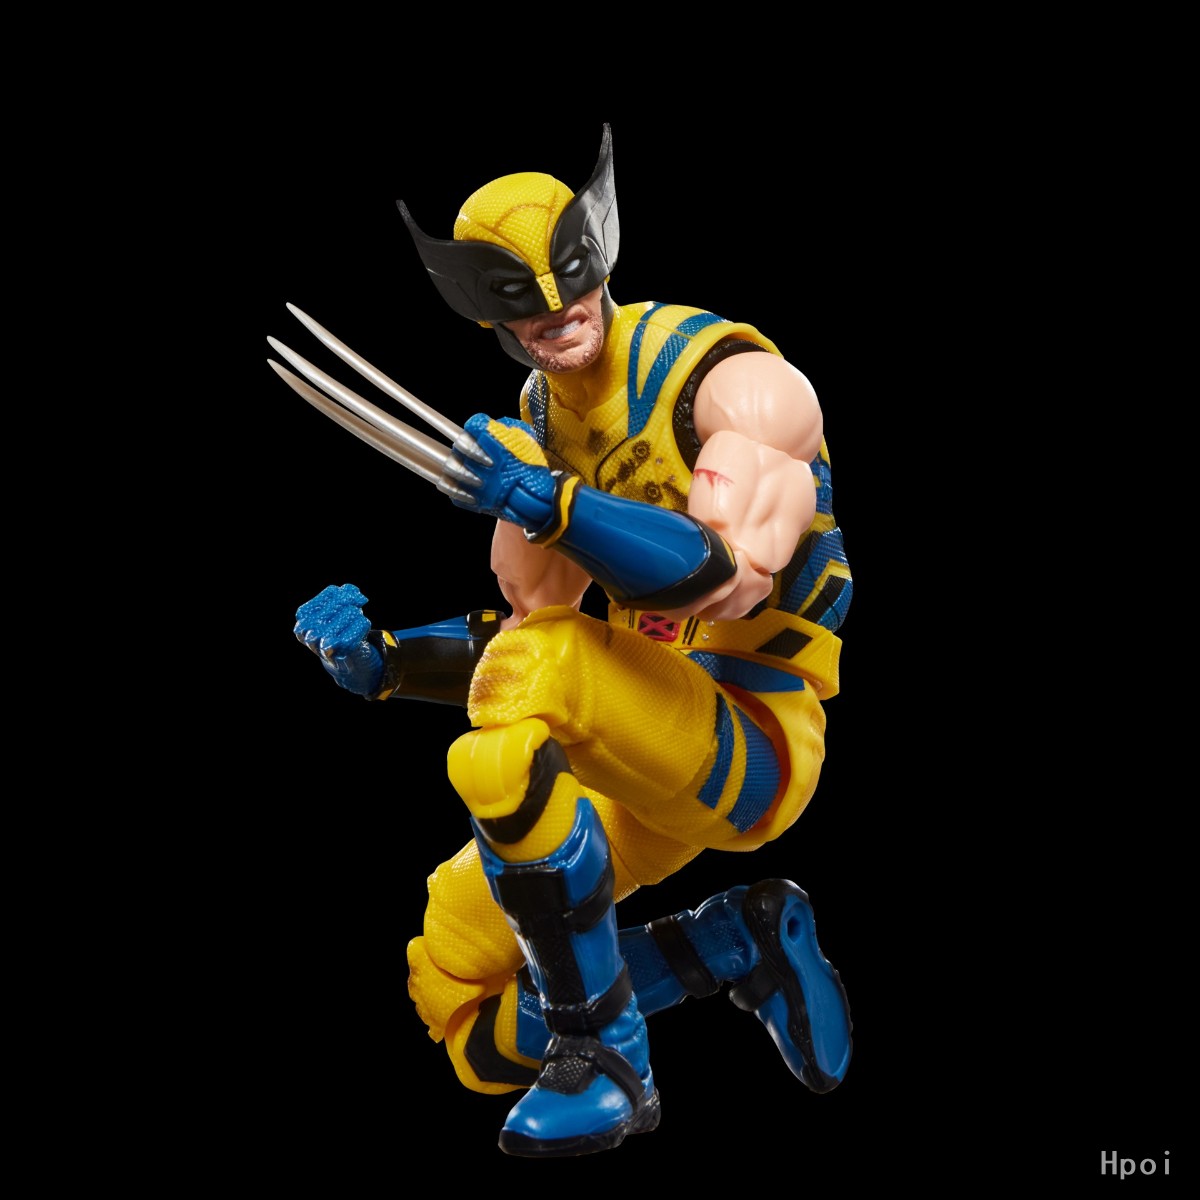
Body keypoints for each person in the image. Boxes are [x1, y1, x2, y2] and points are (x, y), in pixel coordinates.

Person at [282, 124, 854, 1158]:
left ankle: (608, 1057)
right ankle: (734, 942)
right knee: (456, 997)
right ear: (481, 306)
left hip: (755, 734)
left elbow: (729, 577)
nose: (554, 310)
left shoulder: (725, 381)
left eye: (566, 278)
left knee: (505, 732)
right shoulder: (542, 421)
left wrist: (554, 506)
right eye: (519, 297)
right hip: (634, 731)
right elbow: (530, 633)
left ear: (599, 247)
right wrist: (388, 662)